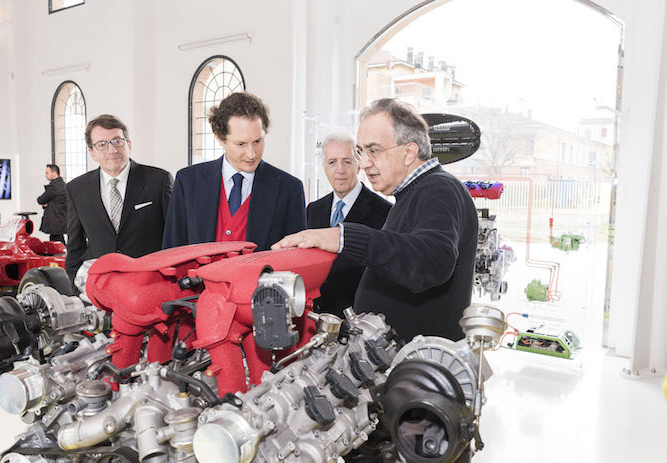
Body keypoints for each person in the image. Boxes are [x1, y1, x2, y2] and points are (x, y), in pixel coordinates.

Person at [273, 98, 477, 342]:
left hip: (418, 365)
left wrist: (342, 237)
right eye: (362, 151)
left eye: (374, 150)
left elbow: (432, 261)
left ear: (409, 152)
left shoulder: (439, 188)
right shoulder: (412, 194)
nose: (365, 162)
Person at [162, 92, 306, 251]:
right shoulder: (188, 182)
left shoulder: (289, 189)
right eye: (241, 144)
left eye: (257, 141)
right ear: (220, 138)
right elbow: (171, 252)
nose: (252, 154)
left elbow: (295, 261)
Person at [66, 114, 173, 282]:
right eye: (102, 144)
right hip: (102, 287)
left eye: (117, 141)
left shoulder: (159, 181)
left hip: (150, 283)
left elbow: (174, 237)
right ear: (91, 152)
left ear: (128, 144)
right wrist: (76, 286)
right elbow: (75, 246)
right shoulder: (77, 189)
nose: (112, 150)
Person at [306, 131, 391, 317]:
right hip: (317, 316)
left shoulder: (384, 212)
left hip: (360, 319)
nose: (340, 170)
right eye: (332, 162)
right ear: (324, 166)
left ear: (359, 163)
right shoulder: (313, 209)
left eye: (347, 161)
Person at [37, 164, 67, 244]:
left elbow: (40, 200)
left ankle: (65, 257)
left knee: (57, 244)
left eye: (47, 173)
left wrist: (46, 203)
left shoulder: (54, 186)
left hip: (56, 219)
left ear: (54, 173)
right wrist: (47, 203)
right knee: (58, 241)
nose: (45, 175)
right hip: (59, 218)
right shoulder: (61, 184)